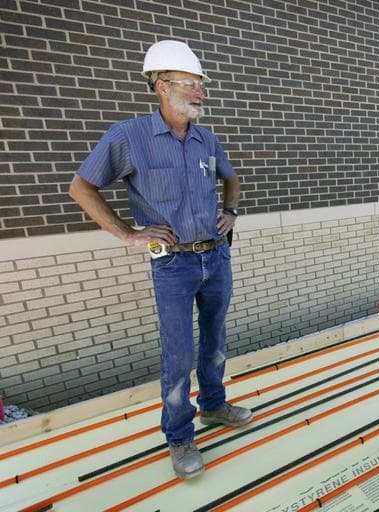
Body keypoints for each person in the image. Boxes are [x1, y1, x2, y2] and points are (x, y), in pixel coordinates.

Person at [68, 40, 252, 480]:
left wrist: (230, 212)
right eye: (190, 85)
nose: (200, 93)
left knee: (216, 342)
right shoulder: (128, 137)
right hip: (172, 265)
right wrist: (129, 235)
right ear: (162, 87)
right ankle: (179, 435)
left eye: (200, 85)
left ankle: (213, 405)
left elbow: (231, 178)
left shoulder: (207, 138)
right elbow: (81, 188)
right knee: (179, 355)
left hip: (215, 258)